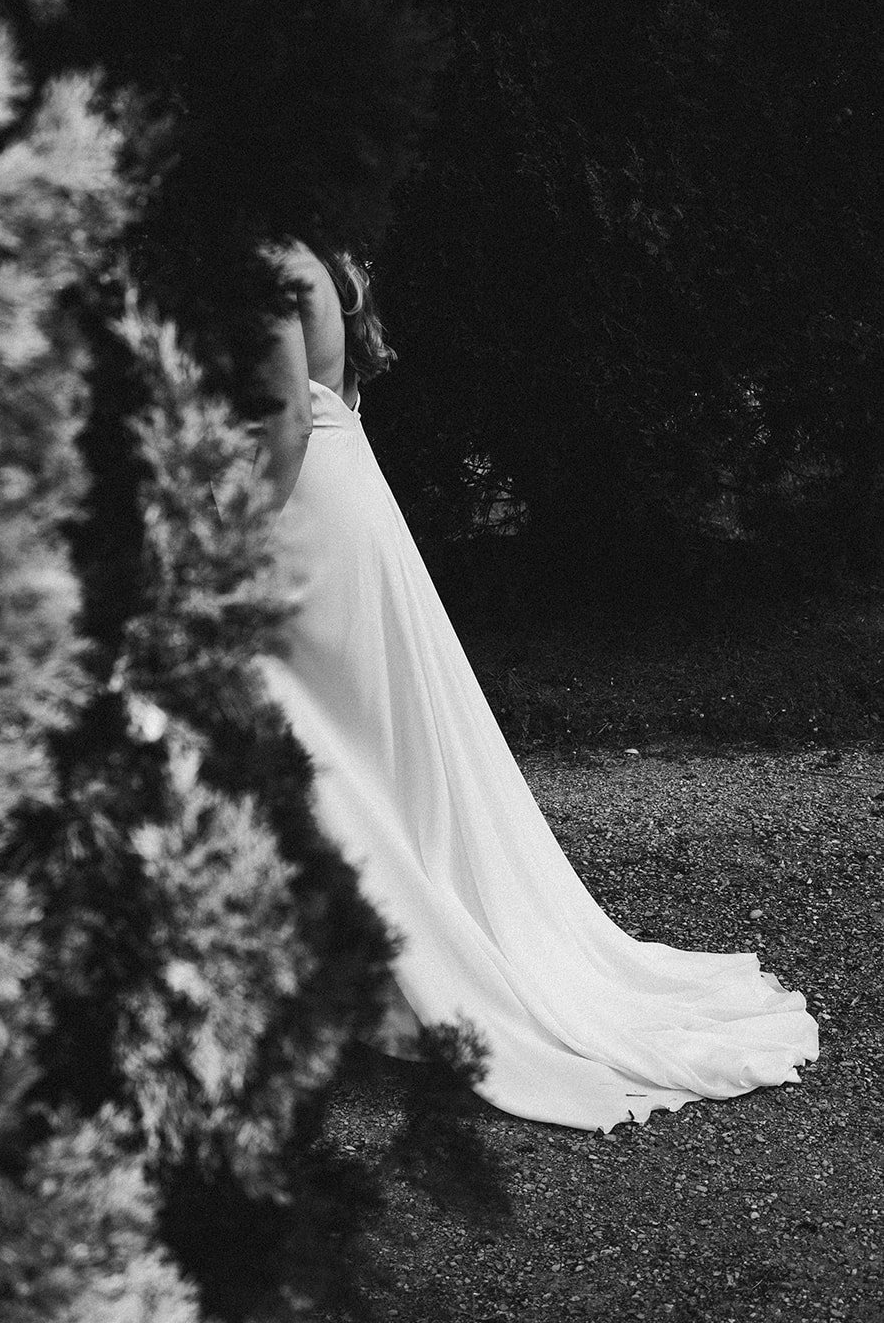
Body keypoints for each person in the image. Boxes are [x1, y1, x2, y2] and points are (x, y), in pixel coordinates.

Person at [247, 238, 818, 1132]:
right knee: (356, 758)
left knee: (322, 750)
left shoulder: (261, 257)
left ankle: (347, 984)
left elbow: (283, 422)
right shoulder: (306, 251)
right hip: (335, 500)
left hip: (291, 521)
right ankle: (345, 982)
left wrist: (217, 546)